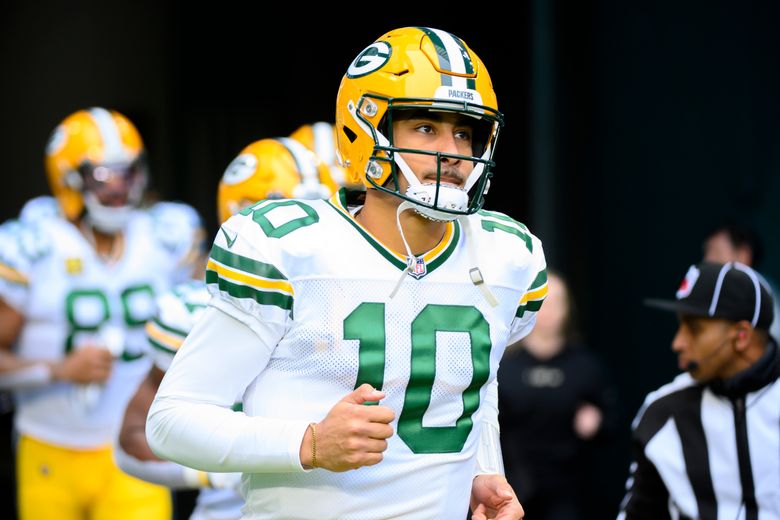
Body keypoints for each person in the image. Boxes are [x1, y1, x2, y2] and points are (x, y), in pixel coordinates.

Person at [147, 27, 545, 520]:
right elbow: (171, 421)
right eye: (426, 128)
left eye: (464, 132)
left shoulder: (508, 255)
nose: (455, 153)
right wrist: (309, 442)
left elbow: (477, 387)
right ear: (365, 129)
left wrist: (482, 468)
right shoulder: (289, 249)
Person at [115, 137, 337, 520]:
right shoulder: (188, 313)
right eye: (296, 216)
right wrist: (215, 473)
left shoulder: (352, 300)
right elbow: (132, 440)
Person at [0, 107, 201, 520]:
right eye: (106, 176)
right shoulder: (32, 247)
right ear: (69, 178)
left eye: (130, 173)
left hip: (134, 444)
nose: (122, 188)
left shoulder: (167, 235)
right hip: (50, 446)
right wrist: (57, 369)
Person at [618, 261, 780, 519]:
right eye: (679, 325)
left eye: (694, 328)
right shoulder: (663, 412)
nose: (677, 343)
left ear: (742, 335)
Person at [498, 270, 616, 519]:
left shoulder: (585, 367)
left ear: (567, 309)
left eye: (556, 303)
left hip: (569, 493)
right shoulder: (503, 366)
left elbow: (612, 419)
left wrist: (597, 421)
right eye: (543, 302)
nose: (549, 311)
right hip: (512, 490)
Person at [703, 223, 780, 342]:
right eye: (706, 253)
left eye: (716, 252)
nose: (707, 260)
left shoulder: (755, 291)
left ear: (744, 255)